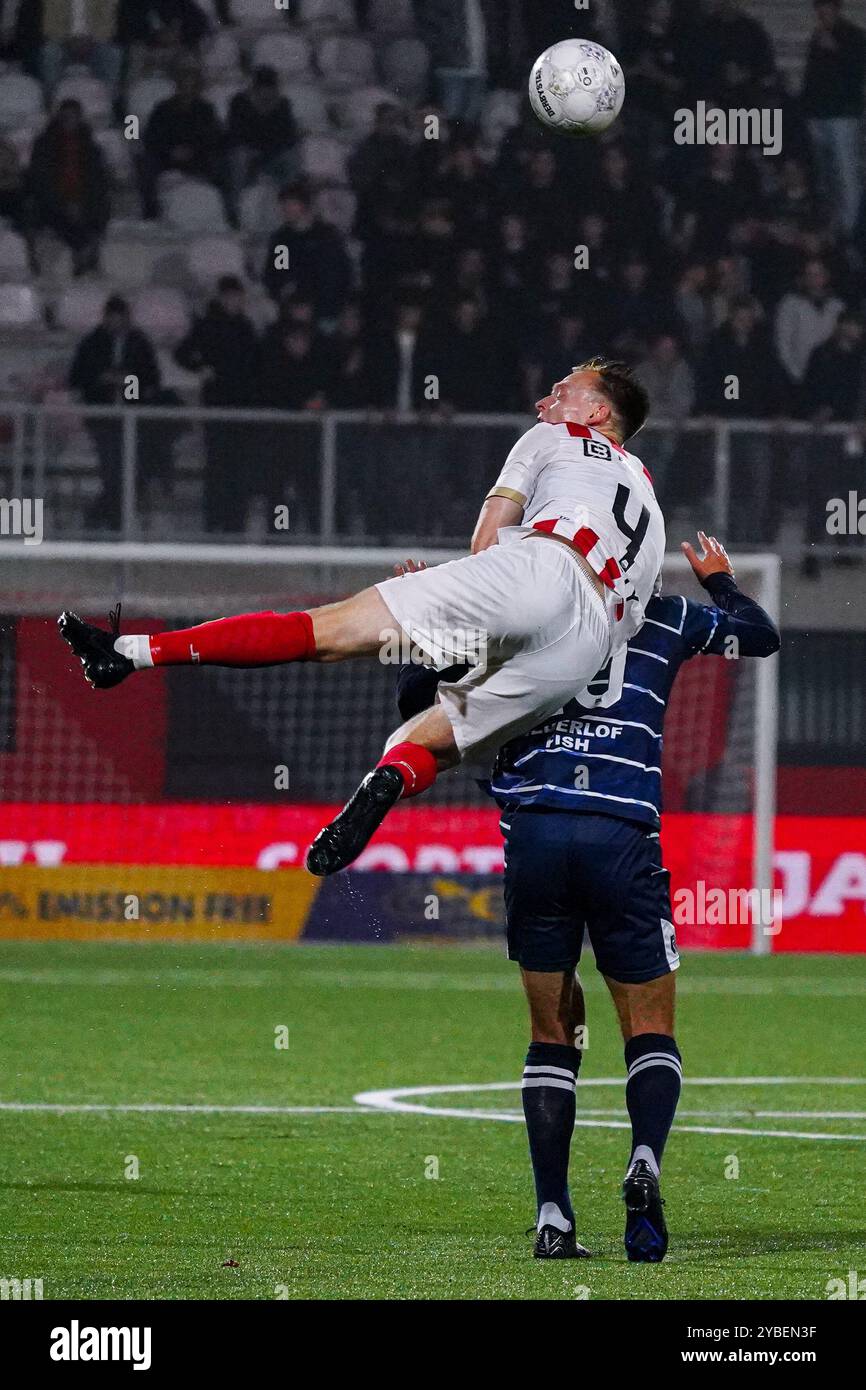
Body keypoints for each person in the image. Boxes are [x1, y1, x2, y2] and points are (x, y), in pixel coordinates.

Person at [58, 359, 665, 877]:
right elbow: (628, 625)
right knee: (426, 740)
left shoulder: (551, 438)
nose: (545, 401)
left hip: (542, 568)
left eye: (561, 391)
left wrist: (461, 604)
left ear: (596, 414)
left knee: (325, 632)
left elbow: (486, 543)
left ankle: (130, 654)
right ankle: (384, 782)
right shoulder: (651, 505)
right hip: (587, 642)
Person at [394, 531, 781, 1260]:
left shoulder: (517, 619)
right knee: (648, 1025)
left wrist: (430, 634)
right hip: (620, 834)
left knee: (553, 1033)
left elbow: (418, 706)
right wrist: (722, 582)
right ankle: (643, 1162)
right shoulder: (665, 617)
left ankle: (553, 1216)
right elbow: (760, 637)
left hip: (536, 832)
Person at [173, 275, 260, 533]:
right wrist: (201, 368)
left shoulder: (245, 326)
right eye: (231, 297)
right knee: (217, 468)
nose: (235, 302)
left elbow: (255, 363)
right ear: (223, 298)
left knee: (239, 469)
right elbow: (182, 353)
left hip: (241, 408)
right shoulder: (207, 326)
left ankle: (235, 524)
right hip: (217, 407)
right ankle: (214, 523)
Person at [68, 295, 161, 529]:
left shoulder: (139, 343)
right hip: (102, 417)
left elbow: (152, 379)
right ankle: (109, 521)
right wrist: (103, 380)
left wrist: (128, 381)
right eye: (113, 319)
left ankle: (103, 519)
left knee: (133, 473)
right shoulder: (92, 343)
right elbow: (77, 378)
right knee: (112, 472)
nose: (117, 323)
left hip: (133, 417)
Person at [802, 0, 866, 236]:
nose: (822, 11)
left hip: (843, 116)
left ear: (837, 8)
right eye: (819, 7)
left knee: (846, 172)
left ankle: (852, 228)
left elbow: (855, 75)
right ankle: (832, 223)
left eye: (827, 6)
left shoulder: (854, 36)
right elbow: (811, 77)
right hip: (818, 115)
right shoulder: (817, 37)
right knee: (825, 174)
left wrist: (837, 51)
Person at [26, 98, 110, 274]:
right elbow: (40, 181)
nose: (69, 121)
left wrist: (80, 203)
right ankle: (83, 253)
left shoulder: (92, 149)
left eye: (73, 117)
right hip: (53, 202)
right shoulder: (44, 145)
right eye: (65, 117)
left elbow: (97, 183)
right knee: (59, 215)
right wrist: (64, 203)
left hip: (83, 203)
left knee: (94, 210)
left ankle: (84, 255)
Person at [139, 63, 225, 220]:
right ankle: (150, 213)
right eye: (184, 84)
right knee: (146, 163)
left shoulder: (206, 110)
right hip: (166, 158)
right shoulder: (162, 108)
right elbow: (152, 138)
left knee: (220, 162)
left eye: (191, 85)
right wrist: (170, 151)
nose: (187, 89)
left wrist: (192, 151)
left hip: (198, 157)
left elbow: (213, 138)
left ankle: (223, 212)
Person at [226, 66, 298, 216]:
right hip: (247, 154)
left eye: (270, 88)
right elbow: (235, 134)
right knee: (239, 156)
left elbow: (289, 137)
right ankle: (235, 210)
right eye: (262, 88)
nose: (266, 92)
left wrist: (267, 150)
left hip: (271, 156)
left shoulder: (283, 104)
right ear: (255, 88)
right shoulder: (240, 102)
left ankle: (290, 206)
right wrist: (253, 149)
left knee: (292, 156)